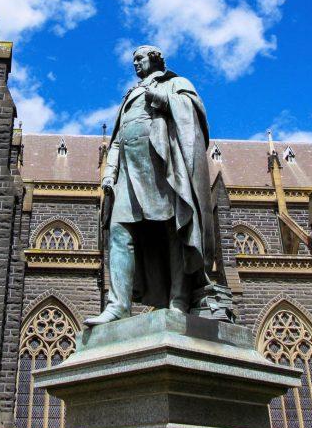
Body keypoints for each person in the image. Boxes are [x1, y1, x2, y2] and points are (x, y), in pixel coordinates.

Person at [85, 45, 215, 326]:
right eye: (132, 59)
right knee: (119, 232)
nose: (135, 64)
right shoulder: (130, 94)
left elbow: (194, 113)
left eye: (139, 58)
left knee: (174, 229)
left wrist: (162, 96)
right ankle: (118, 305)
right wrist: (110, 171)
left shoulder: (175, 83)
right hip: (129, 172)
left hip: (162, 165)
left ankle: (178, 300)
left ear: (155, 59)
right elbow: (118, 137)